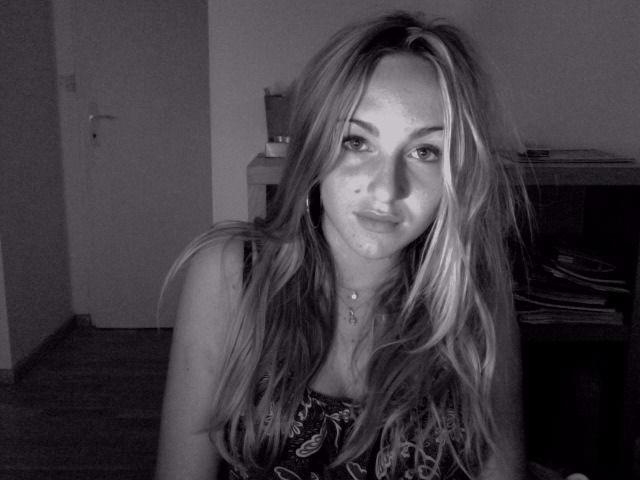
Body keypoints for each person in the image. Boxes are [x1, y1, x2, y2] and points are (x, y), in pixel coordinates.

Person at [156, 10, 527, 480]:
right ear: (314, 146)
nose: (387, 189)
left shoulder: (477, 296)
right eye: (356, 142)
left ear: (457, 170)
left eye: (425, 151)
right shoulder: (230, 276)